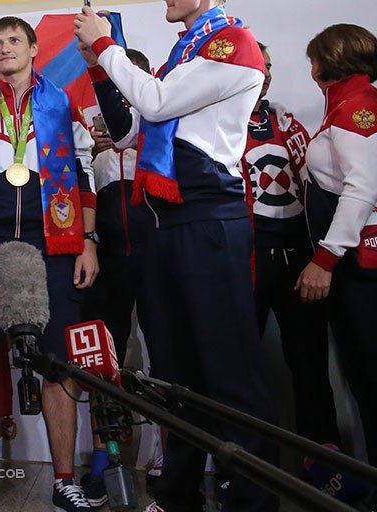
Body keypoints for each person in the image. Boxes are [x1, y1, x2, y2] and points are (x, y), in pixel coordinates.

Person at [74, 1, 277, 511]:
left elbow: (158, 103)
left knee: (231, 375)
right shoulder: (185, 50)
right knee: (175, 374)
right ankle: (178, 493)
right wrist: (101, 66)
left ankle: (251, 500)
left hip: (208, 218)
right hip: (162, 223)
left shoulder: (231, 42)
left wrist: (106, 45)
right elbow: (128, 133)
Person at [0, 16, 97, 512]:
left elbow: (84, 171)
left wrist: (88, 241)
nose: (4, 48)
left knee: (59, 363)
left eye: (13, 40)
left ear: (33, 48)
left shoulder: (60, 99)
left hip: (52, 234)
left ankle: (64, 479)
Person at [242, 42, 341, 448]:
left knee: (310, 364)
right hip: (246, 258)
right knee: (243, 366)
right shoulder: (215, 124)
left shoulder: (290, 123)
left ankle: (325, 459)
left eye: (268, 66)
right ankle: (245, 462)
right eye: (255, 66)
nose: (263, 74)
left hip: (300, 256)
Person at [80, 47, 161, 504]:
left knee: (164, 358)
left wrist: (137, 138)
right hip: (106, 257)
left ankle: (172, 459)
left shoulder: (162, 114)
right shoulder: (89, 123)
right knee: (101, 362)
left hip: (155, 254)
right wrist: (93, 148)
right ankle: (103, 460)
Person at [297, 23, 377, 465]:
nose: (309, 67)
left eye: (313, 59)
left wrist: (324, 259)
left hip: (359, 268)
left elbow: (362, 190)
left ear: (330, 60)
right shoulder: (349, 104)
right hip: (356, 265)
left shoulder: (356, 109)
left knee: (370, 374)